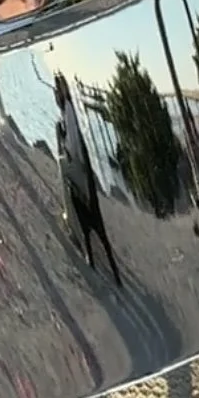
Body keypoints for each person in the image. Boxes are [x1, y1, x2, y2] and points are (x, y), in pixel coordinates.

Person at [54, 74, 122, 283]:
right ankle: (101, 260)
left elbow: (73, 146)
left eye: (58, 90)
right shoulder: (68, 111)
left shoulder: (69, 111)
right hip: (83, 175)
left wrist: (64, 146)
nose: (57, 94)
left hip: (81, 175)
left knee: (81, 208)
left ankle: (89, 253)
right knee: (92, 219)